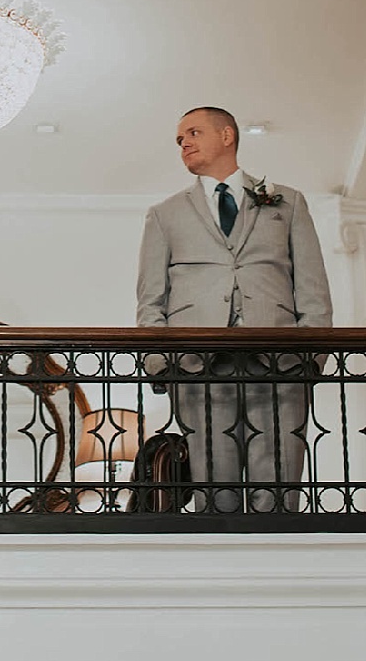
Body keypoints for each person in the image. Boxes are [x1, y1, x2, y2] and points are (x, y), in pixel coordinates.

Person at [134, 107, 331, 514]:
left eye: (193, 132)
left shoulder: (286, 202)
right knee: (213, 490)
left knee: (279, 485)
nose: (183, 143)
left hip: (279, 358)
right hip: (197, 363)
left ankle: (276, 565)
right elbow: (151, 297)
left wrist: (311, 356)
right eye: (179, 139)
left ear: (227, 136)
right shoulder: (164, 214)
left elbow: (312, 285)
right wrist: (159, 362)